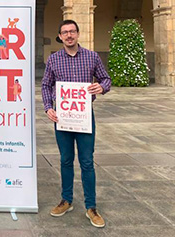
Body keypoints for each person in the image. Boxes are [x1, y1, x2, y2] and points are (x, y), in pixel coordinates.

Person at [41, 19, 111, 228]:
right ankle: (66, 200)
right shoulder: (53, 59)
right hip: (62, 118)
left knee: (87, 161)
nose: (69, 35)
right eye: (65, 32)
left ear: (78, 34)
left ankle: (91, 207)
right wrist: (48, 107)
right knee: (65, 160)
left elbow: (106, 79)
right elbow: (46, 85)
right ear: (60, 36)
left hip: (84, 117)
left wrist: (101, 87)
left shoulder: (92, 57)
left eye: (72, 31)